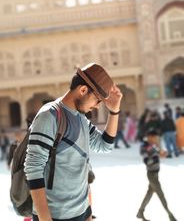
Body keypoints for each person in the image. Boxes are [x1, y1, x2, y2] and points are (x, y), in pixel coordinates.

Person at [24, 63, 123, 221]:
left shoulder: (80, 117)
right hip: (56, 215)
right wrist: (44, 218)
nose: (97, 106)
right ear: (83, 90)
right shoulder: (50, 116)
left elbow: (104, 146)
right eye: (97, 100)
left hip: (82, 211)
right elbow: (33, 168)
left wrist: (114, 110)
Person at [136, 129, 177, 221]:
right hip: (152, 175)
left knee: (149, 194)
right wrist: (154, 158)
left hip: (155, 173)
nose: (156, 139)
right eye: (155, 137)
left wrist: (162, 154)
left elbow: (158, 155)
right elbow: (147, 161)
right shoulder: (144, 146)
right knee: (160, 195)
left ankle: (140, 212)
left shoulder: (152, 145)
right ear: (150, 137)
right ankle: (170, 215)